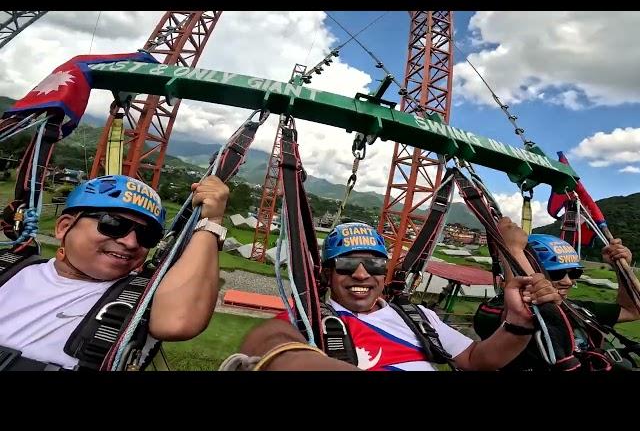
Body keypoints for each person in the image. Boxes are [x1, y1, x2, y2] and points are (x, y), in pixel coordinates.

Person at [238, 218, 561, 371]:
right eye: (348, 264)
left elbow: (477, 359)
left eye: (374, 264)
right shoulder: (309, 320)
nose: (362, 274)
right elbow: (268, 345)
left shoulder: (416, 317)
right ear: (327, 273)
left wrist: (518, 323)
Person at [0, 174, 229, 370]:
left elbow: (179, 321)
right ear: (64, 226)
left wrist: (211, 222)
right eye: (113, 224)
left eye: (146, 236)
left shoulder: (141, 301)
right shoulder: (9, 268)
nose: (130, 242)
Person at [473, 233, 637, 370]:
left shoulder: (577, 309)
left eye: (574, 273)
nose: (568, 281)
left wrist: (622, 269)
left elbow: (632, 310)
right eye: (556, 274)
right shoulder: (493, 311)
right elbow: (518, 316)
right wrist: (513, 254)